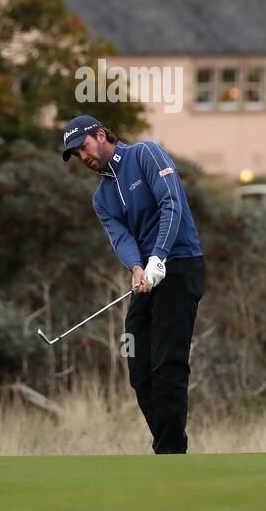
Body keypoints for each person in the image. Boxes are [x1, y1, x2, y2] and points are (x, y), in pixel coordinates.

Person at [61, 115, 204, 454]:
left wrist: (159, 257)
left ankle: (170, 456)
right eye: (77, 155)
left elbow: (172, 204)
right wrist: (137, 267)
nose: (83, 157)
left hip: (181, 265)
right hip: (148, 278)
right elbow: (121, 237)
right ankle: (170, 446)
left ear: (100, 135)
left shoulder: (145, 155)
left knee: (167, 361)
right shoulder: (102, 197)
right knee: (139, 369)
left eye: (84, 148)